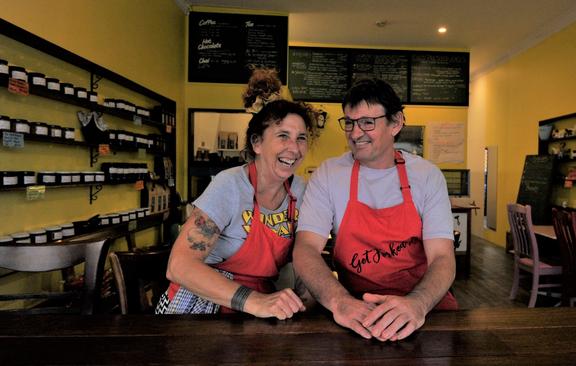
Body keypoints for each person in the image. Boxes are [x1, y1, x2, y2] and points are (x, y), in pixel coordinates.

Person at [293, 78, 457, 341]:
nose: (356, 133)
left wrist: (418, 303)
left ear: (396, 123)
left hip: (424, 309)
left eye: (368, 122)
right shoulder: (329, 174)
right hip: (356, 310)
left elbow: (442, 257)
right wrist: (339, 302)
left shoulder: (427, 176)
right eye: (349, 122)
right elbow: (305, 249)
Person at [156, 71, 317, 319]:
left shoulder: (301, 191)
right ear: (257, 143)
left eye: (301, 138)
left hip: (261, 307)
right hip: (202, 305)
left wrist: (308, 303)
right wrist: (254, 302)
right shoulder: (229, 185)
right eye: (283, 136)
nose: (294, 149)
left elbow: (306, 256)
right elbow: (179, 266)